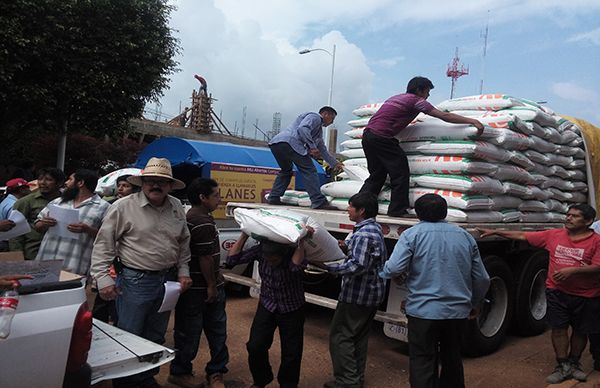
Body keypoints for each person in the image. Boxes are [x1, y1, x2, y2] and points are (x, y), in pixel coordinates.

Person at [90, 157, 192, 388]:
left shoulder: (176, 206)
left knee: (155, 335)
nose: (156, 185)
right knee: (129, 336)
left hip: (168, 282)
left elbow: (183, 242)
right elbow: (103, 245)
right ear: (142, 183)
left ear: (169, 185)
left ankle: (146, 378)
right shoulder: (123, 206)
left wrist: (184, 271)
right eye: (150, 181)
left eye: (162, 182)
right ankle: (126, 384)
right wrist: (103, 279)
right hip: (135, 281)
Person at [479, 204, 600, 384]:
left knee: (580, 331)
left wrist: (573, 271)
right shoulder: (554, 235)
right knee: (558, 329)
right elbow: (523, 236)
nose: (568, 218)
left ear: (588, 221)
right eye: (568, 215)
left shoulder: (596, 241)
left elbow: (598, 267)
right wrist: (496, 232)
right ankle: (562, 365)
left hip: (586, 294)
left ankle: (575, 363)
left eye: (575, 216)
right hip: (557, 291)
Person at [381, 194, 490, 388]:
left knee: (422, 360)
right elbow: (482, 278)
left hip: (422, 312)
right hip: (457, 313)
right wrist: (474, 303)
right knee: (452, 359)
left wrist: (387, 272)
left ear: (419, 214)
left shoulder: (412, 234)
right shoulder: (464, 236)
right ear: (445, 212)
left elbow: (393, 268)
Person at [359, 77, 484, 217]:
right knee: (400, 173)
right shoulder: (416, 101)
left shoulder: (397, 98)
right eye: (427, 91)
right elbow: (443, 116)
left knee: (377, 175)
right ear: (419, 90)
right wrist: (473, 121)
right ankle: (397, 210)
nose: (428, 95)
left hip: (368, 136)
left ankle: (359, 207)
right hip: (382, 137)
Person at [311, 192, 387, 388]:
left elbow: (357, 266)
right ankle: (356, 378)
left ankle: (347, 381)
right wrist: (342, 244)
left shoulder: (363, 234)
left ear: (361, 210)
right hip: (370, 294)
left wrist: (327, 267)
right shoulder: (373, 229)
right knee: (358, 337)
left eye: (350, 206)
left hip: (357, 295)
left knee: (340, 337)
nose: (347, 209)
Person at [226, 229, 312, 388]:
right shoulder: (261, 251)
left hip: (292, 308)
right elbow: (231, 260)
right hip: (268, 304)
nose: (270, 261)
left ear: (283, 253)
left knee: (291, 352)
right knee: (255, 345)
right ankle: (261, 379)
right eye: (268, 258)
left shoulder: (295, 254)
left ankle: (288, 385)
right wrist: (244, 235)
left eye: (274, 259)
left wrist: (301, 241)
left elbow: (294, 268)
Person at [168, 178, 229, 388]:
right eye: (216, 196)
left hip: (197, 287)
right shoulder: (201, 221)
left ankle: (210, 372)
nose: (219, 200)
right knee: (205, 331)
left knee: (193, 330)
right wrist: (212, 285)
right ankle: (189, 372)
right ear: (203, 198)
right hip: (200, 289)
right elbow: (205, 257)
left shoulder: (194, 217)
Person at [33, 169, 109, 276]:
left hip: (75, 266)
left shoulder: (104, 207)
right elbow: (37, 226)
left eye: (70, 179)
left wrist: (87, 229)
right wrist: (44, 223)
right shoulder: (58, 202)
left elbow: (107, 237)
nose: (66, 183)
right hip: (46, 262)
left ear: (80, 183)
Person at [267, 106, 343, 209]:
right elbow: (303, 128)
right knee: (309, 171)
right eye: (332, 119)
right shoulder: (315, 117)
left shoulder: (318, 133)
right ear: (326, 114)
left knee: (286, 171)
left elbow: (323, 151)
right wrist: (312, 147)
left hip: (277, 144)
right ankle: (318, 201)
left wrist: (335, 164)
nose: (331, 122)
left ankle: (274, 197)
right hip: (291, 142)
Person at [91, 174, 139, 324]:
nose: (121, 188)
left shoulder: (138, 209)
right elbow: (104, 239)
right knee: (103, 299)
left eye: (126, 185)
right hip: (110, 262)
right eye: (119, 185)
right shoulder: (112, 205)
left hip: (125, 264)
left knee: (118, 304)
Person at [9, 167, 65, 259]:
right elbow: (15, 233)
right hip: (32, 254)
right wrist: (17, 258)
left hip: (58, 254)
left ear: (59, 183)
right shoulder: (25, 202)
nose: (42, 182)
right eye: (40, 179)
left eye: (48, 180)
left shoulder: (67, 202)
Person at [0, 178, 31, 251]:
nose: (30, 190)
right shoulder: (14, 205)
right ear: (21, 190)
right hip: (6, 242)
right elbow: (15, 228)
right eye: (28, 188)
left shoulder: (7, 201)